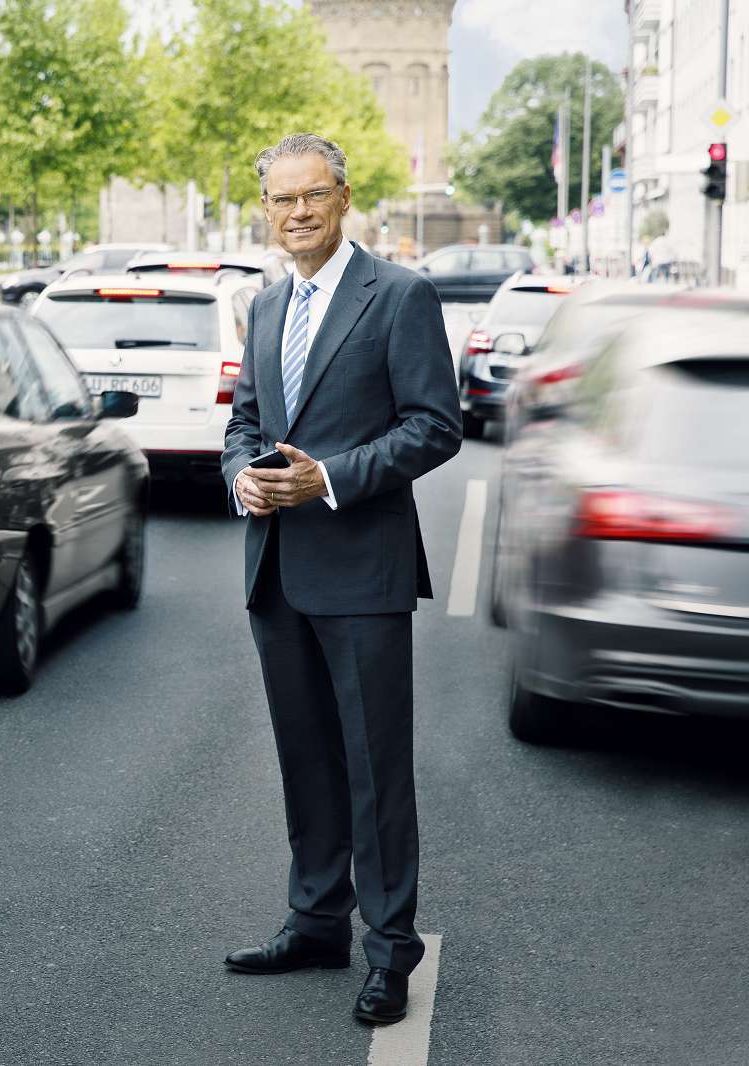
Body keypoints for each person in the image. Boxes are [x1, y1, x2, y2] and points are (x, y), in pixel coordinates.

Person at [219, 134, 461, 1025]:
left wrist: (331, 477)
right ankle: (316, 920)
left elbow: (435, 427)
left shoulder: (398, 295)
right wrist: (242, 476)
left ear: (344, 197)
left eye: (312, 196)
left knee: (374, 772)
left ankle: (391, 950)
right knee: (307, 763)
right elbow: (245, 422)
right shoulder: (264, 304)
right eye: (281, 201)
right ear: (268, 211)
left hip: (363, 571)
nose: (297, 213)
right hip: (277, 570)